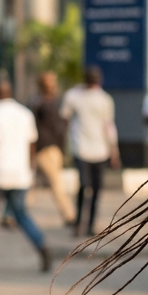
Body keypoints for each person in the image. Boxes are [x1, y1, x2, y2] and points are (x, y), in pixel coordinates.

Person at [0, 80, 50, 273]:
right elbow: (32, 145)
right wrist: (31, 172)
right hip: (20, 174)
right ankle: (41, 244)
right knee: (21, 214)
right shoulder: (25, 114)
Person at [61, 67, 120, 238]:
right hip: (87, 148)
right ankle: (84, 224)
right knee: (91, 187)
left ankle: (85, 224)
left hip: (92, 149)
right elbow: (109, 127)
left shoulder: (81, 97)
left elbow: (65, 120)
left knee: (88, 187)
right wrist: (114, 151)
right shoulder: (89, 98)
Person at [31, 71, 77, 226]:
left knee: (54, 183)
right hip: (48, 148)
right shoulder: (45, 103)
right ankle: (12, 214)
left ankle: (69, 215)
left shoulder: (44, 103)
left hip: (46, 149)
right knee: (30, 183)